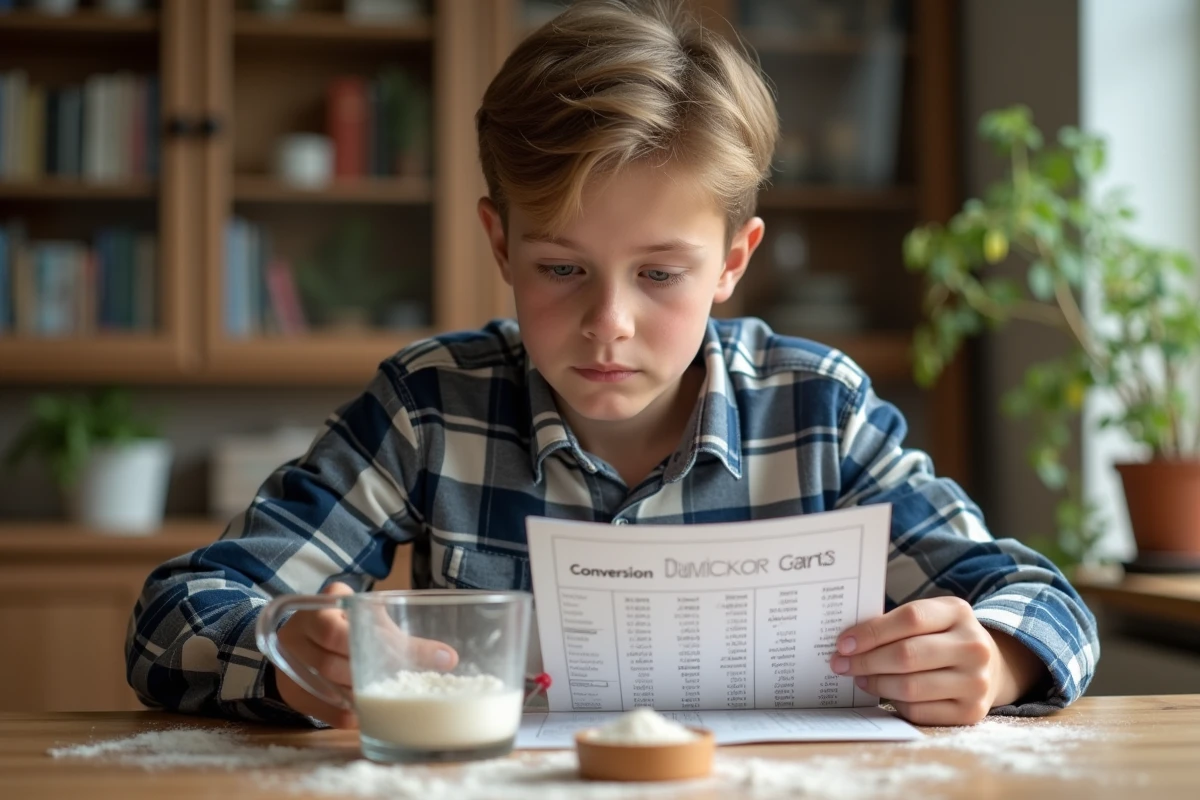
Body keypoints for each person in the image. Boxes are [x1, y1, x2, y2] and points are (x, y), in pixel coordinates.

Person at [126, 0, 1098, 730]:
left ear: (732, 261)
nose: (609, 325)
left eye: (660, 274)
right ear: (500, 245)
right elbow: (174, 614)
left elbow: (1041, 596)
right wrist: (287, 648)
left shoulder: (820, 409)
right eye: (561, 268)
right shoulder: (433, 407)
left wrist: (1001, 654)